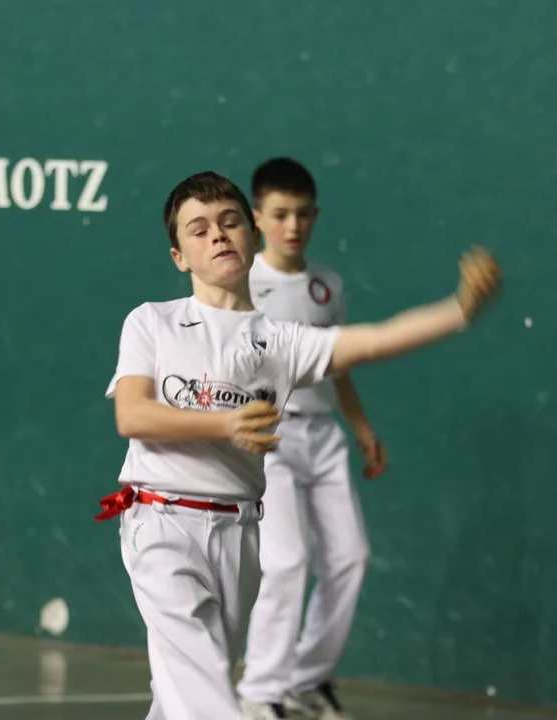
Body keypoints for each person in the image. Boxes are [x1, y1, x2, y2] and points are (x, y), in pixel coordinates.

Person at [94, 170, 500, 720]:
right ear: (179, 257)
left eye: (229, 221)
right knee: (203, 686)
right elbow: (133, 415)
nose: (217, 234)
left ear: (251, 234)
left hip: (239, 533)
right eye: (199, 229)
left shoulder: (282, 342)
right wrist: (226, 425)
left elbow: (373, 341)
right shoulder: (152, 322)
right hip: (161, 522)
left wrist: (459, 309)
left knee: (183, 693)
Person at [236, 157, 383, 720]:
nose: (292, 225)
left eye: (302, 214)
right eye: (279, 214)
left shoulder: (328, 286)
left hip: (325, 437)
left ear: (315, 215)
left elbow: (335, 363)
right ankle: (260, 692)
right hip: (269, 437)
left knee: (351, 558)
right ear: (256, 217)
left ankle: (307, 679)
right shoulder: (242, 283)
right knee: (286, 561)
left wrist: (361, 426)